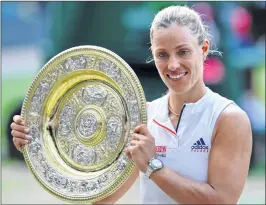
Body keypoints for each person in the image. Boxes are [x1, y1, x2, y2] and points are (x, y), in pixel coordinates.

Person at [11, 5, 252, 204]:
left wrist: (152, 166)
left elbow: (220, 201)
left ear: (204, 49)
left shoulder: (228, 118)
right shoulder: (145, 115)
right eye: (162, 54)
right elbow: (105, 197)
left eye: (183, 52)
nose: (173, 65)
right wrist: (37, 143)